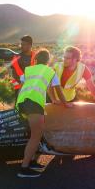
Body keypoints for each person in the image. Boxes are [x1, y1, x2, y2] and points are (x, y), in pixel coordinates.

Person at [16, 49, 72, 178]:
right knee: (35, 136)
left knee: (38, 134)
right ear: (48, 61)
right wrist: (66, 103)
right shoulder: (50, 71)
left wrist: (53, 100)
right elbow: (58, 90)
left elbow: (24, 86)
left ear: (36, 59)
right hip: (34, 103)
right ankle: (24, 169)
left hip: (22, 102)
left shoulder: (29, 70)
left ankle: (32, 162)